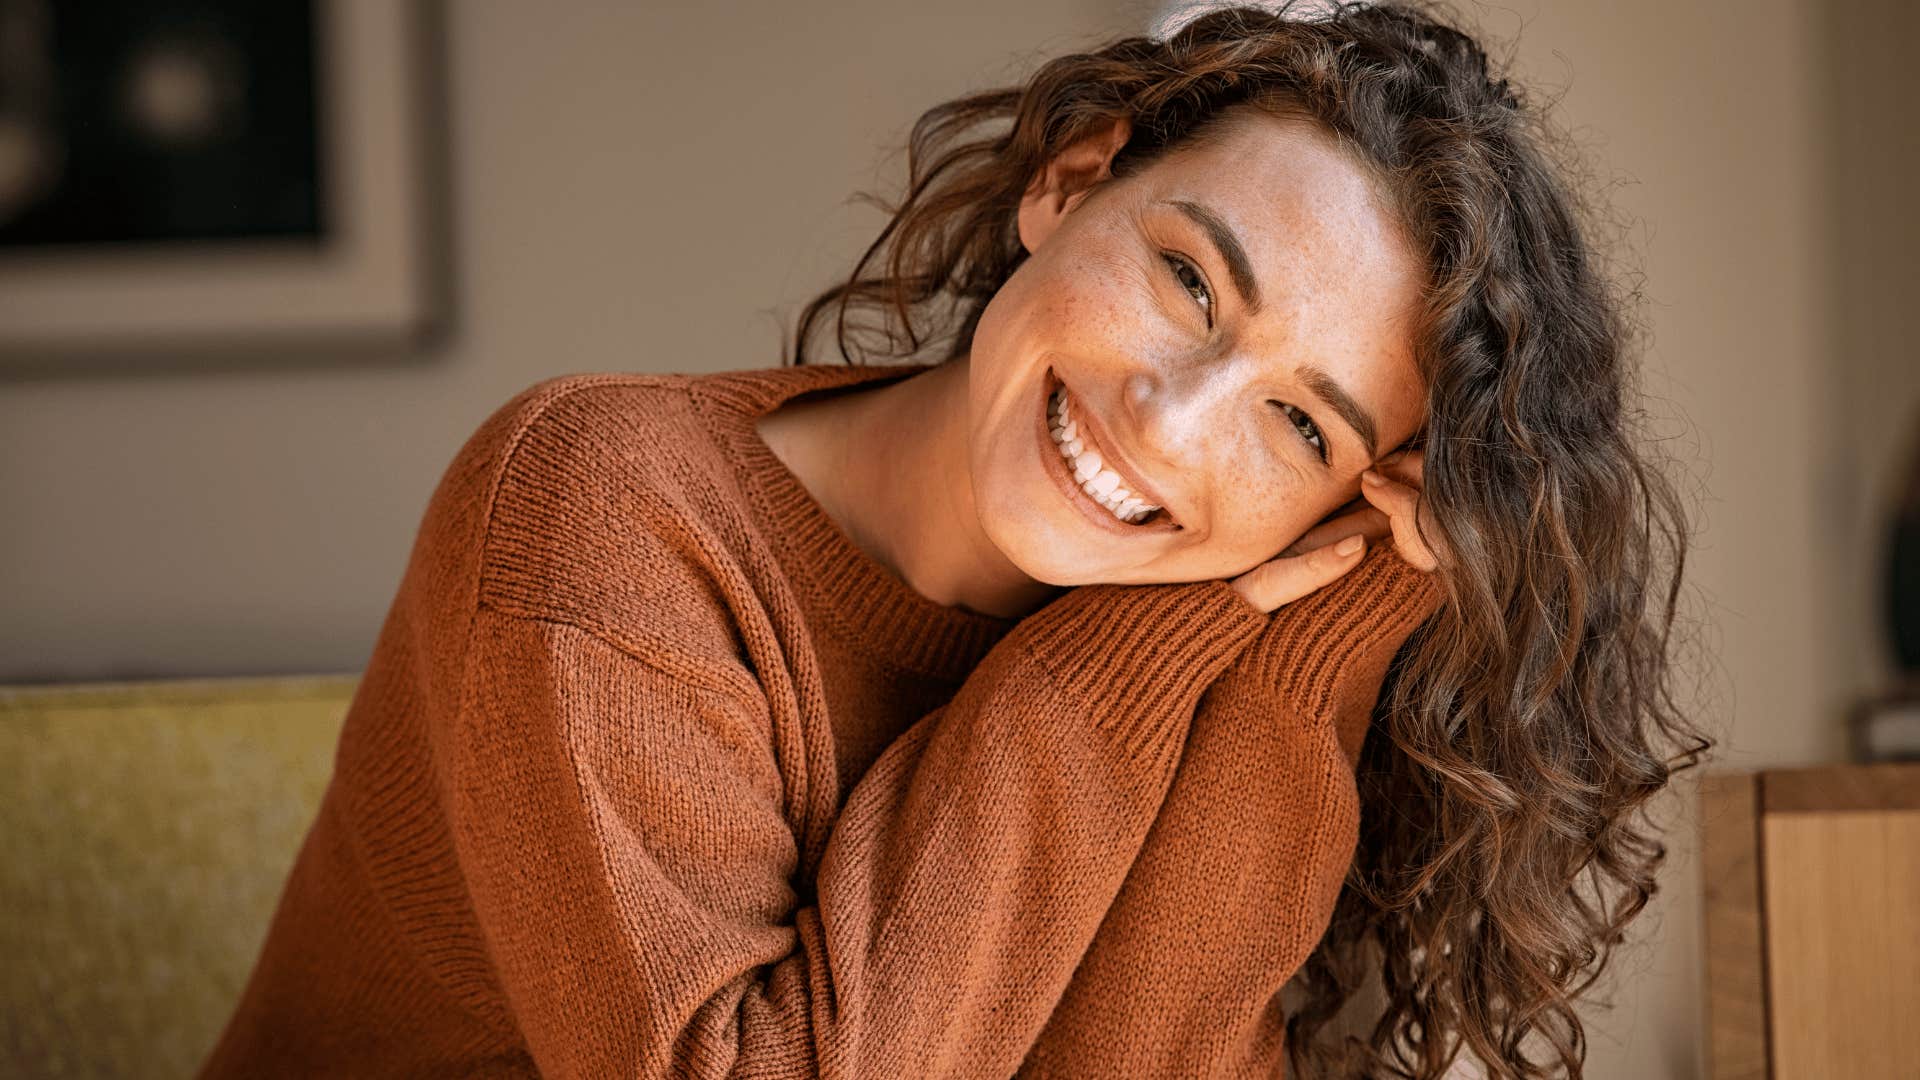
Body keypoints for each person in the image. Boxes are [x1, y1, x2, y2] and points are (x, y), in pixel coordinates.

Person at [200, 2, 1709, 1077]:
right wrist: (1122, 654)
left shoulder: (1218, 630)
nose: (1171, 424)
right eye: (1191, 283)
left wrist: (1308, 644)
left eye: (1303, 429)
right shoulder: (602, 510)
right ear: (1069, 186)